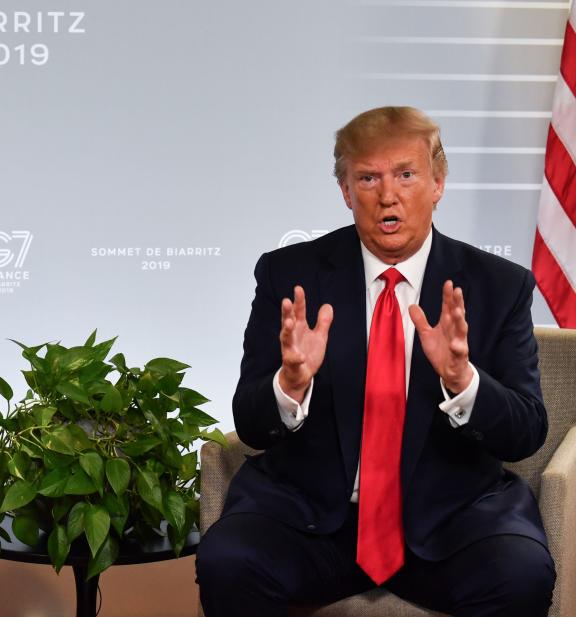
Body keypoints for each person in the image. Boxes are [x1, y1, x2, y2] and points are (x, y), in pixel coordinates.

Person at [196, 107, 555, 616]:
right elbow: (251, 424)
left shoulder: (499, 285)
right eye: (368, 178)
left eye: (406, 175)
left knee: (520, 574)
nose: (388, 195)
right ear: (346, 192)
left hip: (452, 521)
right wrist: (290, 384)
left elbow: (527, 431)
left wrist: (463, 381)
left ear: (438, 182)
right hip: (312, 519)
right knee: (228, 561)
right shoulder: (289, 275)